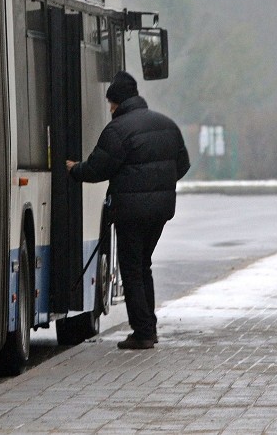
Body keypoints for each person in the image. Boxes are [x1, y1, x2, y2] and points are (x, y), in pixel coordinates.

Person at [66, 71, 190, 350]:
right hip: (160, 211)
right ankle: (149, 327)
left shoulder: (118, 130)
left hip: (131, 213)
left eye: (111, 103)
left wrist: (75, 170)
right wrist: (160, 185)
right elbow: (182, 164)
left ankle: (143, 332)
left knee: (132, 269)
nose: (109, 108)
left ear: (118, 102)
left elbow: (99, 167)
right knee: (143, 266)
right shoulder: (166, 125)